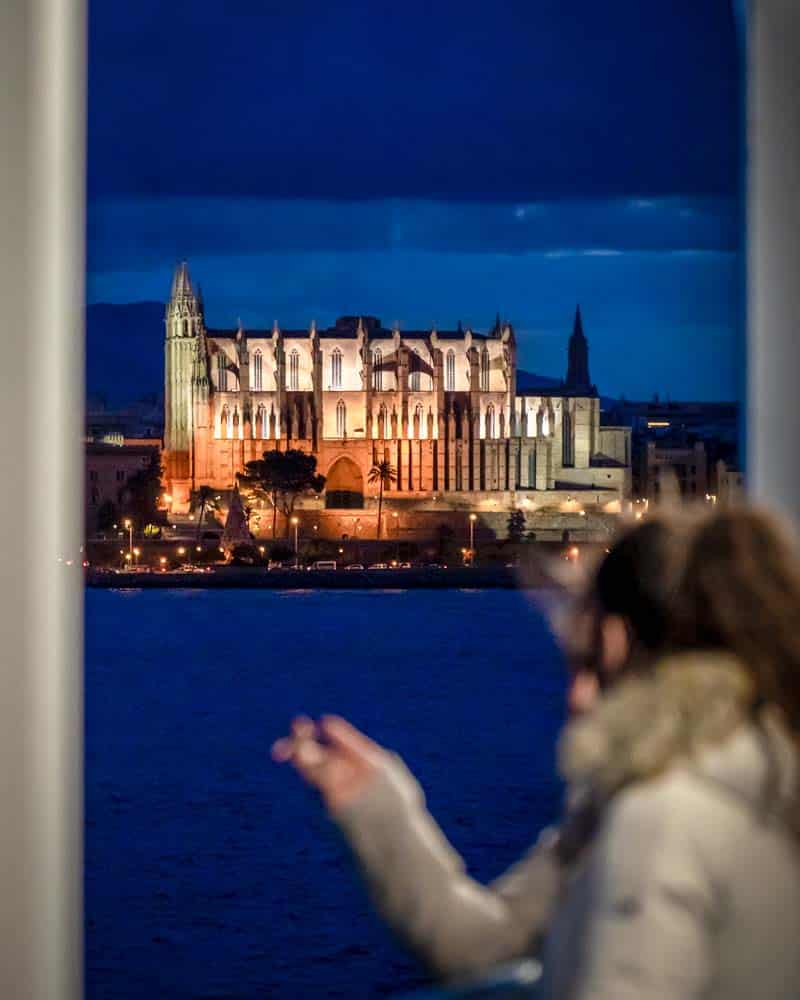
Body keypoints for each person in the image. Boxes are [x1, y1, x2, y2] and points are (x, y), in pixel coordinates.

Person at [272, 509, 800, 999]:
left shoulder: (660, 819)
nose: (575, 695)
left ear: (626, 643)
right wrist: (376, 804)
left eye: (589, 661)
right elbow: (483, 947)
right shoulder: (714, 786)